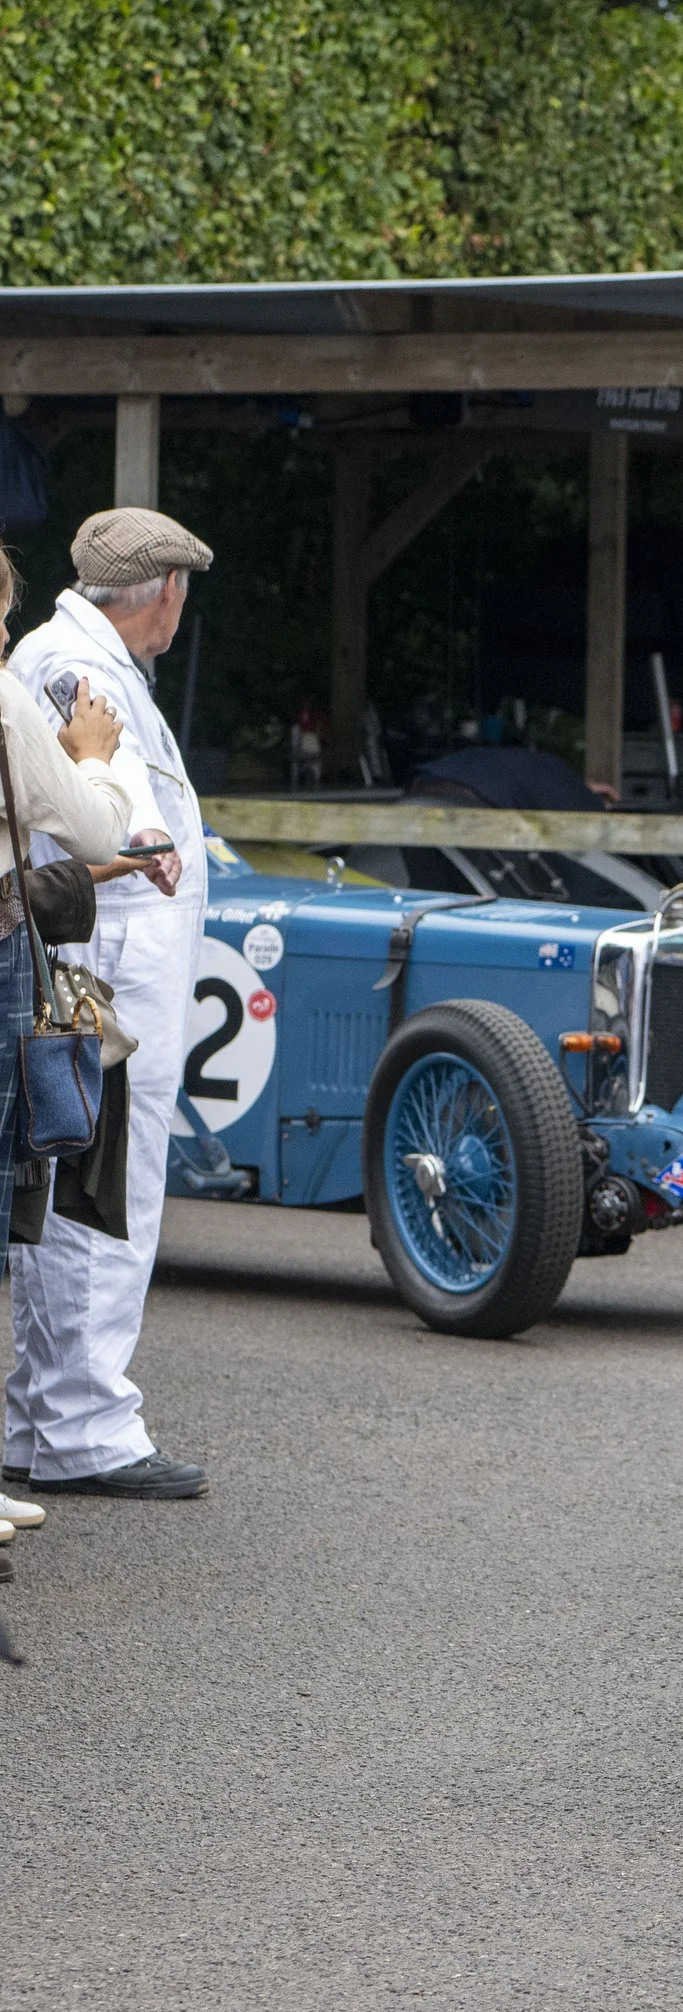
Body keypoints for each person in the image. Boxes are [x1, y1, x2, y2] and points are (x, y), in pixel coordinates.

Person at [2, 508, 204, 1502]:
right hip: (108, 964)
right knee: (101, 1184)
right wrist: (151, 848)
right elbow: (114, 824)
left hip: (100, 958)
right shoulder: (73, 671)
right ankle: (83, 1422)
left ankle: (42, 1415)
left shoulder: (62, 656)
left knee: (78, 1177)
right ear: (165, 594)